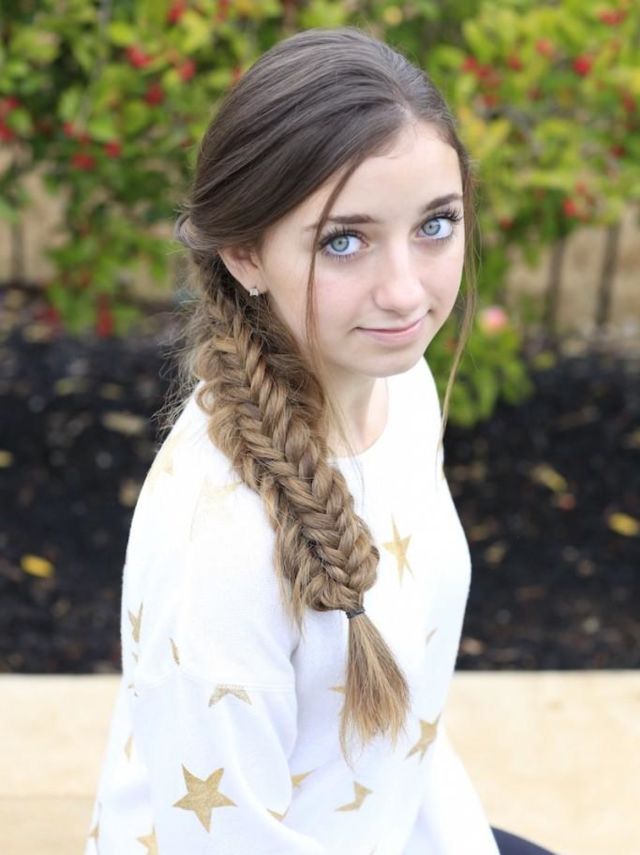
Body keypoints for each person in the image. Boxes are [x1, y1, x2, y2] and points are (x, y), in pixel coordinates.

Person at [85, 25, 558, 855]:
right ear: (245, 254)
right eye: (345, 240)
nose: (404, 290)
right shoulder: (222, 553)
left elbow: (406, 727)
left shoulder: (401, 388)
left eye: (436, 223)